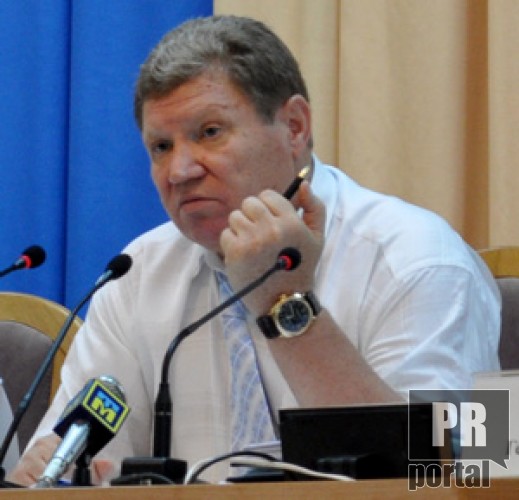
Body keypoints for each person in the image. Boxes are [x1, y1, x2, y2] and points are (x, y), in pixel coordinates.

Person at [8, 15, 500, 485]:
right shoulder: (135, 275)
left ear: (295, 126)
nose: (180, 171)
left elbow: (448, 473)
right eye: (161, 147)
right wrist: (53, 470)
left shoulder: (420, 260)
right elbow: (77, 463)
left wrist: (286, 303)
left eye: (209, 133)